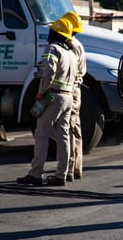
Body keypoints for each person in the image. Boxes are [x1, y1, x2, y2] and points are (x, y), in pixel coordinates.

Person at [17, 18, 77, 186]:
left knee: (41, 134)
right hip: (68, 98)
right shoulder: (71, 53)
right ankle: (61, 175)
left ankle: (35, 174)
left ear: (55, 34)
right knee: (63, 136)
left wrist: (41, 93)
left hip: (53, 97)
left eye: (51, 32)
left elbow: (49, 72)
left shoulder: (52, 49)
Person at [61, 12, 87, 182]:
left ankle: (69, 169)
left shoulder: (70, 45)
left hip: (70, 90)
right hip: (75, 89)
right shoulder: (77, 44)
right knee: (75, 129)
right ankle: (76, 168)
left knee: (69, 129)